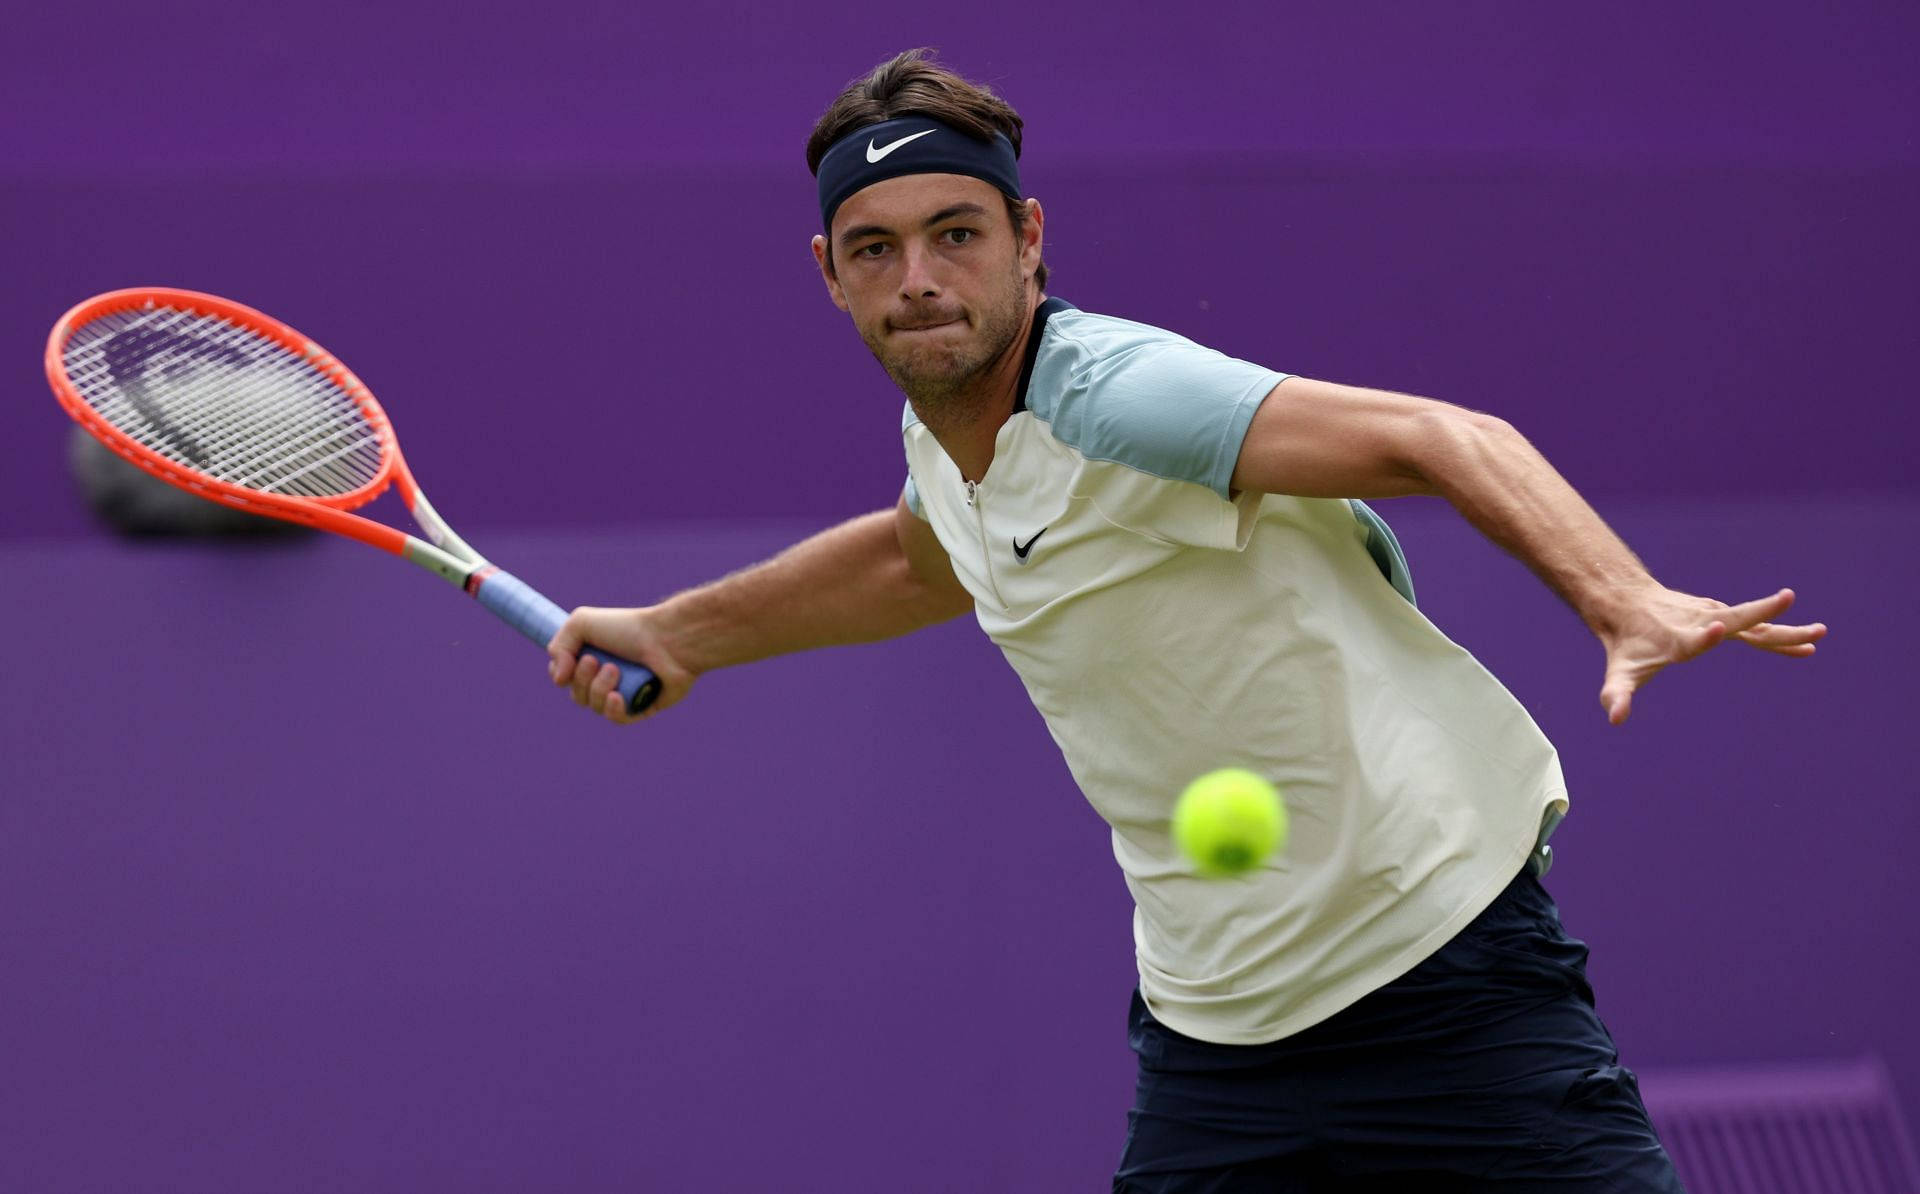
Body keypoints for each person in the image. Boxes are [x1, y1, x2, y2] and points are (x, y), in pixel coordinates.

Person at [545, 49, 1826, 1192]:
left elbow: (1442, 437)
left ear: (1029, 238)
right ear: (830, 275)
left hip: (1444, 975)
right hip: (1220, 1039)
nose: (921, 280)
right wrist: (680, 631)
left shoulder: (1120, 396)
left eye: (957, 234)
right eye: (876, 248)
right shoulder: (943, 438)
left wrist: (1625, 598)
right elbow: (917, 563)